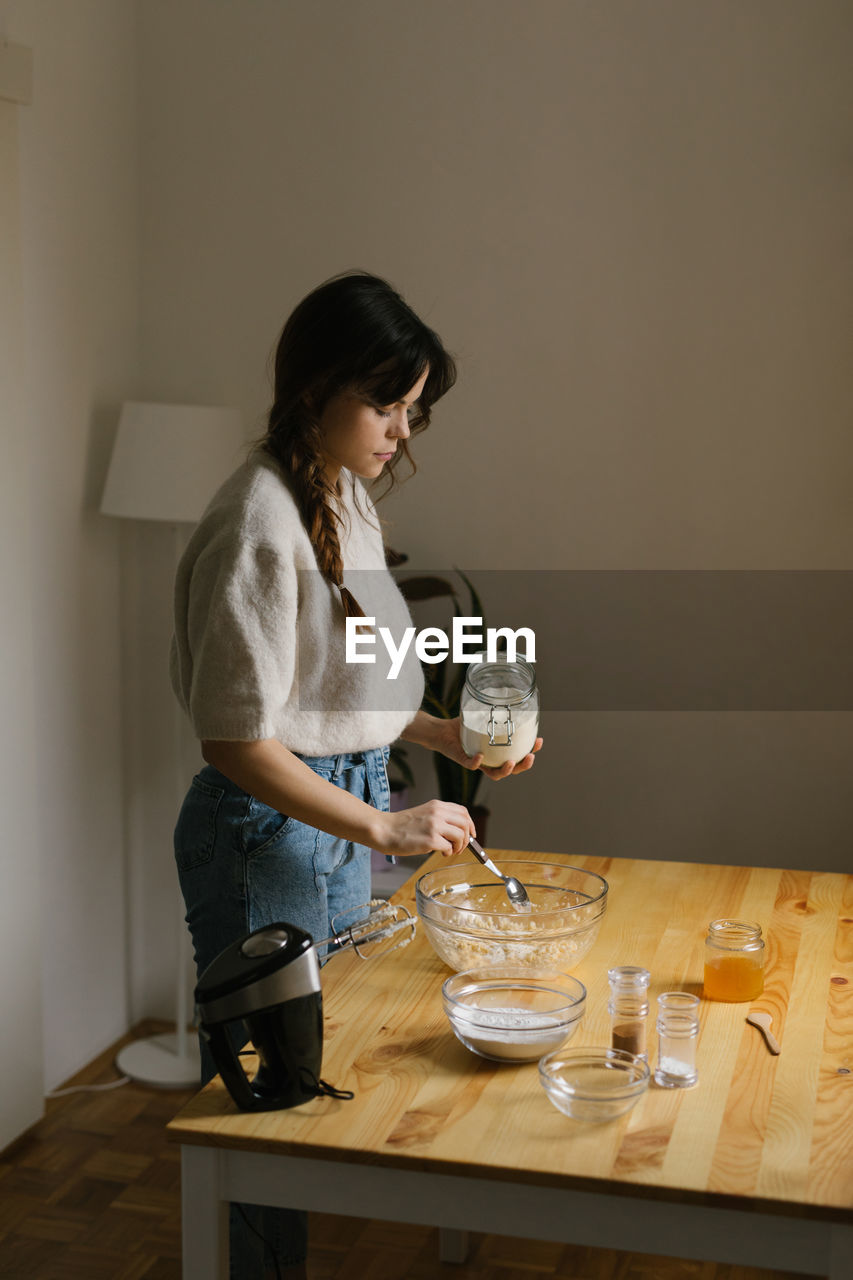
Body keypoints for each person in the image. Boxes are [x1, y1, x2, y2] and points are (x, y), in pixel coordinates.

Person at [170, 271, 542, 1279]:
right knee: (267, 1100)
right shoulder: (257, 518)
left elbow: (331, 692)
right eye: (385, 403)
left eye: (411, 408)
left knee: (310, 1074)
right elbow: (237, 740)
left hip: (335, 804)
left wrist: (445, 735)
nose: (399, 431)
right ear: (315, 389)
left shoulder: (340, 491)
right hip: (265, 826)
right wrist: (382, 830)